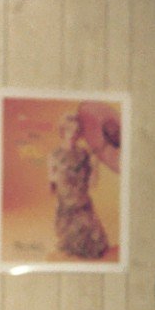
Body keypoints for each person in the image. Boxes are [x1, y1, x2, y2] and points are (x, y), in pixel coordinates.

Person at [47, 111, 111, 260]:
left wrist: (95, 165)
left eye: (76, 130)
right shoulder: (54, 155)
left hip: (82, 204)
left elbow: (92, 183)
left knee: (94, 249)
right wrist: (56, 185)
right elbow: (51, 181)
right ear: (62, 131)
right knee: (67, 245)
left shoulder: (84, 154)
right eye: (69, 130)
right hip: (65, 204)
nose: (72, 134)